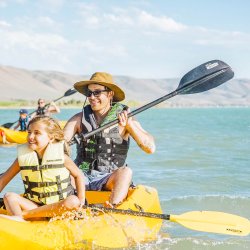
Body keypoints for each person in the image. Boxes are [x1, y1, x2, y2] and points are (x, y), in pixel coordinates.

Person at [64, 72, 155, 207]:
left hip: (108, 177)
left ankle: (113, 208)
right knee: (62, 168)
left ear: (110, 94)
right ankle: (67, 206)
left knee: (126, 172)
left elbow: (150, 148)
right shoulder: (78, 119)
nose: (92, 97)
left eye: (97, 93)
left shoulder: (125, 118)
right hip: (80, 175)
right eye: (89, 93)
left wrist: (129, 125)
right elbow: (60, 141)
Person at [0, 116, 85, 221]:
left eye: (37, 133)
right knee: (9, 196)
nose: (31, 136)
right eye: (29, 132)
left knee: (73, 201)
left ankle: (21, 216)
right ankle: (20, 220)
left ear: (51, 137)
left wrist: (81, 201)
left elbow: (78, 175)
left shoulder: (62, 157)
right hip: (35, 207)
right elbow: (3, 179)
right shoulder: (22, 159)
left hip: (58, 210)